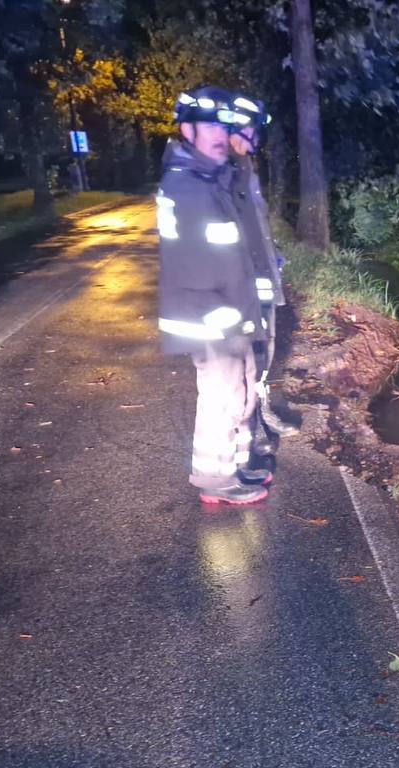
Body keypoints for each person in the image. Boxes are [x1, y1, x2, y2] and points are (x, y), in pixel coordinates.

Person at [157, 86, 272, 505]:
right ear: (187, 130)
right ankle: (214, 479)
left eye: (224, 127)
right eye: (209, 127)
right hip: (210, 316)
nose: (220, 135)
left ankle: (236, 466)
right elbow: (193, 264)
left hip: (228, 310)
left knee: (239, 391)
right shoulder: (188, 184)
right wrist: (227, 314)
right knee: (222, 397)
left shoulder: (209, 178)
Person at [224, 93, 299, 460]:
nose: (255, 137)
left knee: (263, 355)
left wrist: (273, 259)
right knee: (243, 362)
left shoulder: (245, 167)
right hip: (238, 287)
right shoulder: (220, 172)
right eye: (250, 129)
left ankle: (260, 417)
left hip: (261, 278)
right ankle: (248, 432)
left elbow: (256, 226)